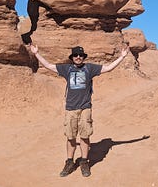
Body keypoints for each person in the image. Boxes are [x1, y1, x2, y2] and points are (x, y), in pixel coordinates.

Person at [29, 43, 129, 178]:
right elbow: (49, 66)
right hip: (71, 108)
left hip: (85, 108)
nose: (78, 57)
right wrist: (36, 53)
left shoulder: (90, 68)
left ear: (83, 57)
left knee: (85, 135)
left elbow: (108, 68)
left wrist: (122, 57)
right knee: (71, 137)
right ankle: (69, 162)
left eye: (80, 55)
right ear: (72, 57)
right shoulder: (67, 69)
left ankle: (84, 162)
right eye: (75, 55)